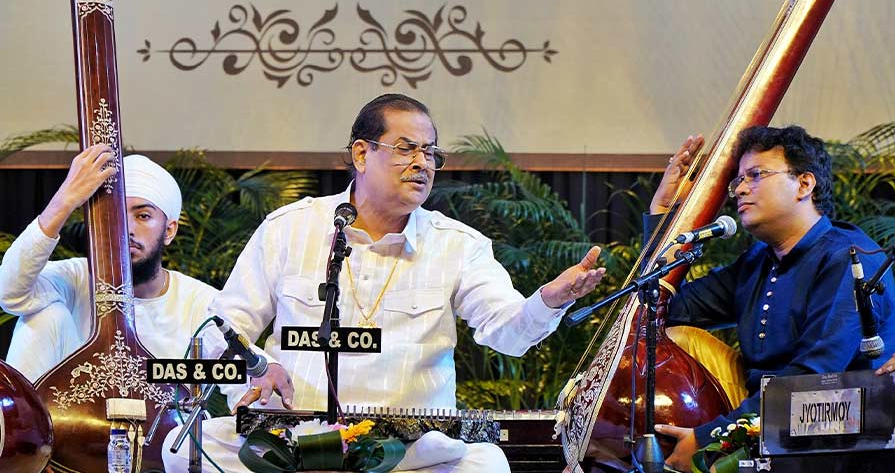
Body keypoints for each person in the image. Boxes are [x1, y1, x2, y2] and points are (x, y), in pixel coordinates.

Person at [162, 93, 606, 473]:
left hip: (411, 449)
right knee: (183, 447)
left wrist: (548, 300)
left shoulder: (458, 245)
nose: (422, 164)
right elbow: (220, 329)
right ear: (361, 154)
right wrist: (261, 367)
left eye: (431, 153)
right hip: (295, 440)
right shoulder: (290, 229)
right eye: (406, 148)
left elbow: (506, 332)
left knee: (485, 464)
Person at [647, 126, 895, 472]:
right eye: (737, 181)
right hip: (764, 434)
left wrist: (710, 439)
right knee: (676, 339)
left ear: (804, 184)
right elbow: (658, 308)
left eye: (756, 175)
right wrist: (666, 213)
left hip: (837, 447)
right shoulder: (757, 262)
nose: (741, 190)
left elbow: (812, 381)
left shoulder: (847, 258)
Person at [0, 145, 218, 381]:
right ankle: (20, 419)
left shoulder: (202, 303)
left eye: (143, 216)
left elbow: (251, 381)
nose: (127, 229)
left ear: (169, 230)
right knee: (41, 313)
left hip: (167, 418)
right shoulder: (76, 277)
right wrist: (64, 201)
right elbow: (11, 293)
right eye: (116, 215)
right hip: (70, 415)